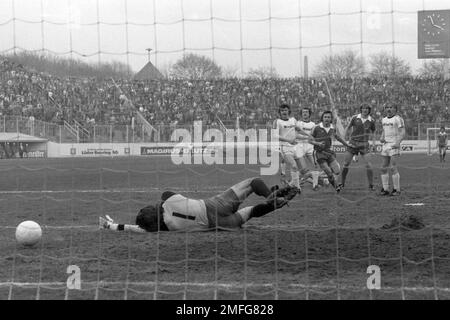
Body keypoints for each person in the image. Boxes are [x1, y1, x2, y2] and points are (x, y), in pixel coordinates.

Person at [99, 177, 299, 232]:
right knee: (251, 183)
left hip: (221, 225)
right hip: (215, 205)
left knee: (253, 212)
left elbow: (138, 229)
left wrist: (112, 226)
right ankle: (271, 194)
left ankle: (283, 199)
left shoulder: (166, 229)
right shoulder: (168, 200)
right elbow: (165, 193)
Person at [311, 111, 353, 193]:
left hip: (329, 153)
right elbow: (309, 140)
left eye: (328, 117)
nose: (327, 118)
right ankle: (336, 187)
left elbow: (338, 137)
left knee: (337, 171)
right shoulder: (316, 127)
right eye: (325, 117)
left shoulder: (332, 128)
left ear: (331, 119)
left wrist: (347, 145)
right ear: (322, 118)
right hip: (319, 153)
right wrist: (317, 143)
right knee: (329, 173)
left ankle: (318, 176)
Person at [340, 104, 376, 190]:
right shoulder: (355, 117)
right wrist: (343, 138)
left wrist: (374, 144)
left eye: (367, 108)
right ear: (361, 109)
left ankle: (371, 185)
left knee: (369, 165)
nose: (365, 110)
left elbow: (373, 132)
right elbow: (348, 127)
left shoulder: (371, 120)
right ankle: (342, 183)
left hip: (364, 144)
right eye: (363, 108)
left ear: (369, 110)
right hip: (353, 143)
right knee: (346, 164)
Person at [379, 103, 406, 196]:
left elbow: (402, 132)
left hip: (394, 144)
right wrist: (381, 137)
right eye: (387, 107)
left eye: (391, 107)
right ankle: (385, 189)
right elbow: (384, 130)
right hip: (385, 145)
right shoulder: (383, 119)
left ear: (395, 109)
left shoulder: (398, 119)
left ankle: (396, 189)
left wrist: (398, 143)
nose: (389, 109)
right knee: (383, 167)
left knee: (393, 167)